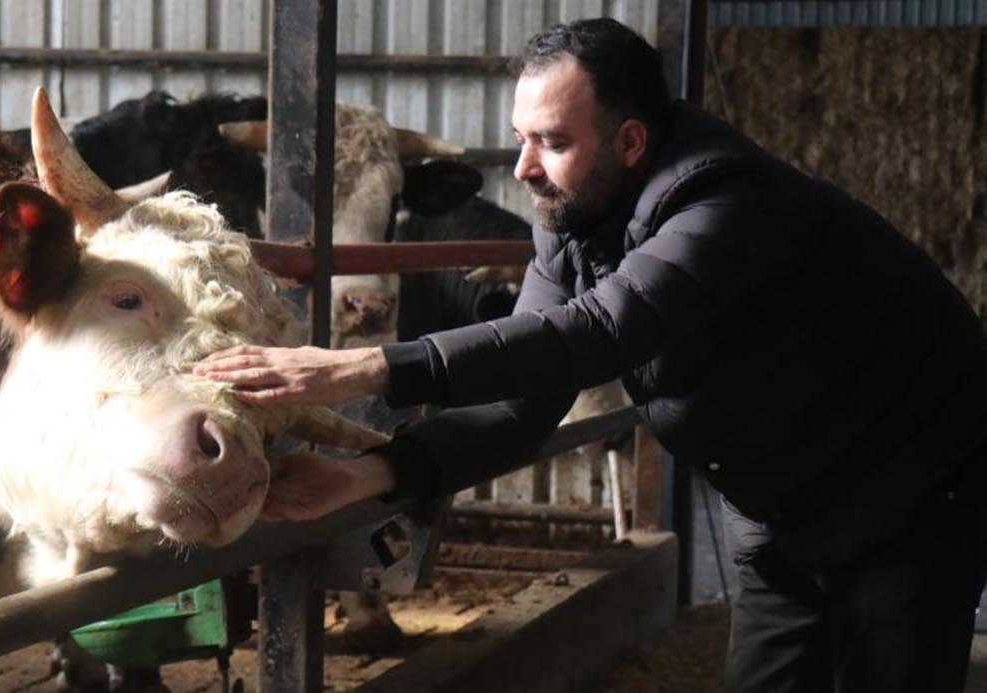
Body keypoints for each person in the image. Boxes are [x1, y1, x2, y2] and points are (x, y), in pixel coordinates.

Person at [195, 18, 987, 693]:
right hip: (775, 506)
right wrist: (369, 475)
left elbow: (601, 330)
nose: (522, 168)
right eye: (521, 139)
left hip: (909, 494)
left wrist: (366, 367)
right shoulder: (571, 221)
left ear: (631, 141)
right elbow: (523, 402)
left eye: (552, 141)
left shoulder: (727, 201)